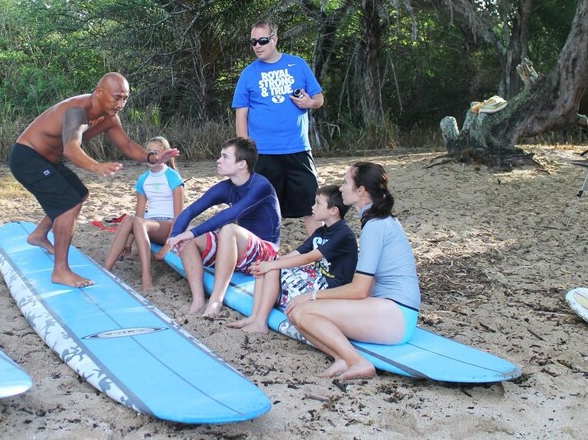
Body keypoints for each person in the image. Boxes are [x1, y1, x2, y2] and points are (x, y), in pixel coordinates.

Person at [9, 73, 179, 288]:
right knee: (68, 204)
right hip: (28, 158)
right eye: (116, 97)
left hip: (48, 161)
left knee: (79, 194)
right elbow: (71, 149)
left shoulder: (109, 118)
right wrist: (96, 166)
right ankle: (60, 271)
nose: (121, 104)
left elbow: (126, 145)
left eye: (125, 98)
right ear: (99, 92)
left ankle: (39, 235)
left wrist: (153, 157)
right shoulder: (76, 111)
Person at [285, 162, 421, 381]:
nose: (340, 188)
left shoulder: (376, 226)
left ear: (361, 191)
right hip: (390, 310)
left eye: (346, 182)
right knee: (296, 313)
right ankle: (341, 358)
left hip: (396, 315)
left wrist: (312, 295)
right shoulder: (379, 221)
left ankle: (356, 361)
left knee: (304, 311)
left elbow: (359, 290)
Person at [156, 137, 281, 316]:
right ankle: (198, 299)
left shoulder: (260, 186)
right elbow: (190, 211)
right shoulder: (226, 187)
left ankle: (215, 301)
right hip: (241, 252)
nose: (218, 160)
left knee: (228, 229)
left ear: (242, 164)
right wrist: (175, 235)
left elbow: (231, 214)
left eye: (225, 157)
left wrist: (192, 233)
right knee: (186, 235)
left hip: (266, 255)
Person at [233, 20, 324, 235]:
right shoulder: (248, 73)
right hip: (263, 153)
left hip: (298, 149)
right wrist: (244, 153)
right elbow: (241, 114)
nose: (257, 46)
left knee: (312, 206)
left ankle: (320, 259)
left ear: (274, 39)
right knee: (260, 208)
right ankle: (260, 259)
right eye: (253, 42)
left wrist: (309, 103)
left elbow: (319, 98)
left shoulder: (298, 64)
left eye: (262, 40)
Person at [228, 185, 358, 333]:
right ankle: (254, 316)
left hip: (330, 287)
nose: (312, 207)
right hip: (316, 276)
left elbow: (307, 257)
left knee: (272, 270)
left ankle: (260, 322)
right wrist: (267, 264)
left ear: (333, 210)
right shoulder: (321, 231)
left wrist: (272, 266)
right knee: (266, 269)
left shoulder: (343, 234)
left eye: (318, 203)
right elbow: (298, 252)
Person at [103, 136, 185, 293]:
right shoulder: (143, 180)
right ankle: (106, 269)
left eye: (155, 151)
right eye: (148, 151)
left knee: (139, 222)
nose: (151, 155)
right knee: (129, 219)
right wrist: (127, 243)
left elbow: (179, 216)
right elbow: (138, 214)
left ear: (165, 155)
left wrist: (168, 245)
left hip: (167, 228)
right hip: (148, 226)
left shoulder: (173, 177)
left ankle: (146, 276)